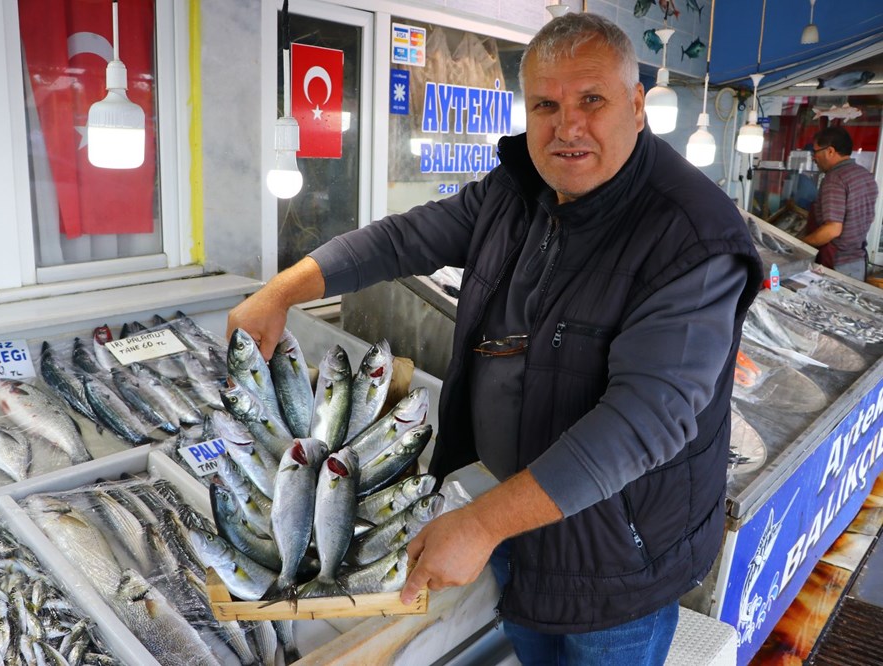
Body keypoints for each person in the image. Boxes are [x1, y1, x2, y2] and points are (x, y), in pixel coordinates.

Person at [228, 13, 763, 665]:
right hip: (518, 522)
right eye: (545, 104)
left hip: (618, 563)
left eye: (591, 100)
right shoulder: (516, 190)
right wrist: (283, 289)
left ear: (636, 103)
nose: (567, 127)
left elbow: (644, 421)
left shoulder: (692, 234)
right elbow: (404, 239)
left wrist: (482, 524)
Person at [801, 126, 879, 281]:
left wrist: (801, 245)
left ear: (830, 151)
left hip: (836, 265)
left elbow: (832, 229)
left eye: (815, 152)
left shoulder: (835, 179)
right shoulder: (865, 176)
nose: (814, 157)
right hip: (857, 263)